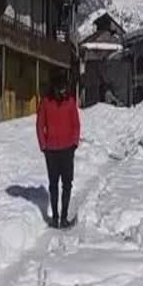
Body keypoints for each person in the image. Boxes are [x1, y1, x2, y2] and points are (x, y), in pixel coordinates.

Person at [36, 71, 80, 228]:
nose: (62, 91)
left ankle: (63, 218)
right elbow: (40, 125)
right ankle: (55, 218)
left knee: (66, 184)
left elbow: (76, 124)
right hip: (52, 150)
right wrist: (43, 145)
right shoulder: (46, 102)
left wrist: (74, 142)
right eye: (59, 88)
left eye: (63, 88)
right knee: (54, 184)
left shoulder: (70, 102)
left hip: (67, 149)